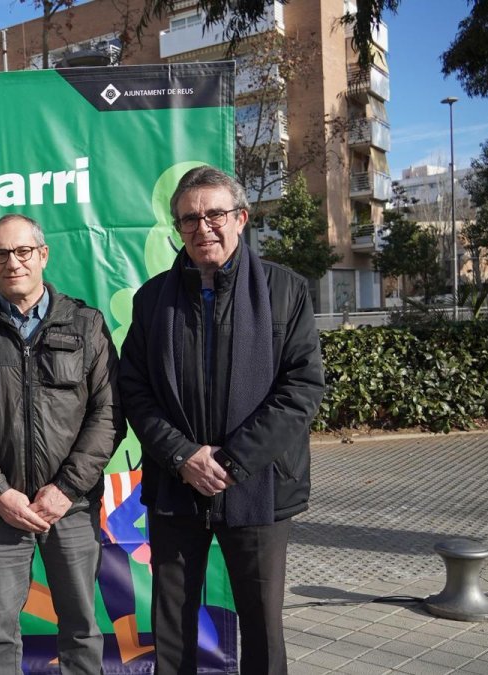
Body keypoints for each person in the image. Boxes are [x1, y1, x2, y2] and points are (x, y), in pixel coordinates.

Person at [117, 166, 325, 674]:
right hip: (176, 483)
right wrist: (183, 456)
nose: (203, 227)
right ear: (178, 227)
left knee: (262, 625)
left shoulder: (285, 290)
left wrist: (232, 461)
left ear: (241, 218)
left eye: (215, 214)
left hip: (259, 484)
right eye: (189, 219)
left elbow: (301, 388)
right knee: (171, 623)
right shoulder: (152, 299)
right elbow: (135, 390)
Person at [0, 214, 122, 674]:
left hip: (71, 507)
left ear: (43, 255)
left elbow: (108, 414)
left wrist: (66, 489)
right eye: (1, 254)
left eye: (23, 251)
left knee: (81, 626)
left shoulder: (86, 324)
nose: (13, 262)